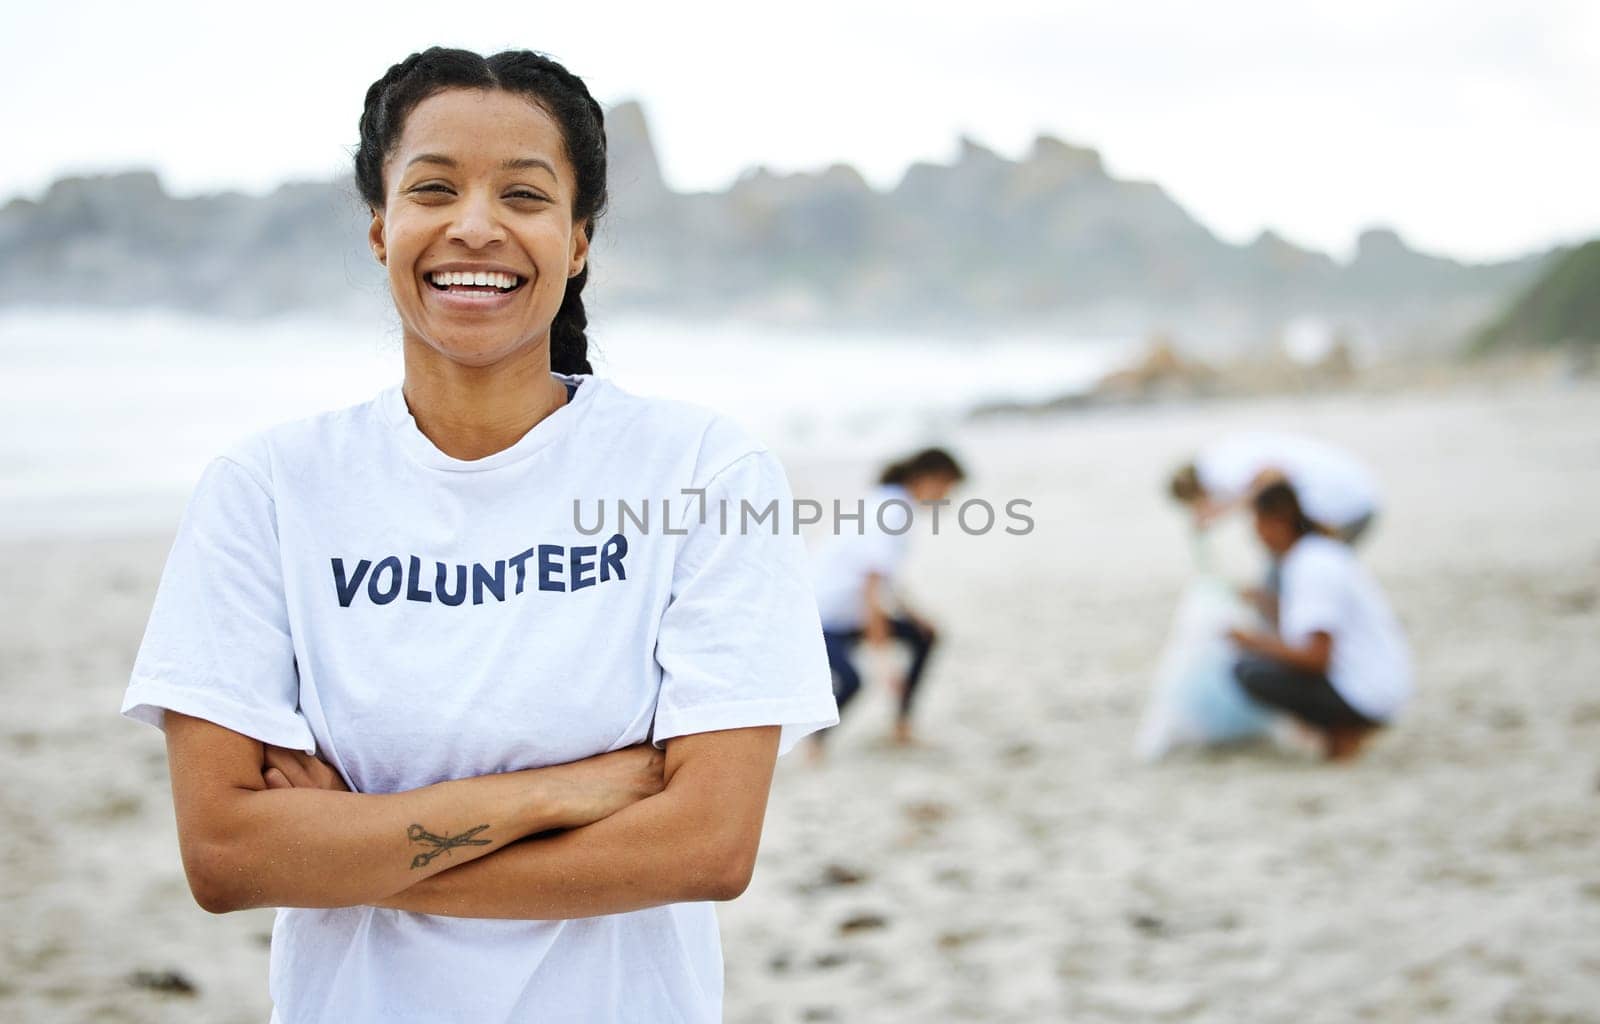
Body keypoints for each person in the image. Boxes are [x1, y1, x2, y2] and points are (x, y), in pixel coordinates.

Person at [119, 47, 838, 1024]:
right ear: (381, 226)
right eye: (433, 187)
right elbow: (227, 855)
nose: (474, 225)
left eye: (525, 195)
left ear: (578, 239)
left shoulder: (701, 472)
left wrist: (346, 844)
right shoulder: (270, 490)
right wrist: (561, 793)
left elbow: (705, 847)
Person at [1226, 482, 1412, 761]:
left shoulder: (1311, 566)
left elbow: (1317, 657)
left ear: (1277, 520)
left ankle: (1344, 732)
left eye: (1257, 522)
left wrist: (1253, 643)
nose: (1255, 534)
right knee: (1258, 664)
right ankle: (1343, 731)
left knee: (1251, 671)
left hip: (1368, 691)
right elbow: (1303, 629)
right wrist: (1265, 603)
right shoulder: (1319, 554)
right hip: (1383, 683)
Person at [807, 448, 965, 754]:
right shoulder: (892, 510)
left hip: (847, 612)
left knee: (925, 636)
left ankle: (902, 727)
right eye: (947, 487)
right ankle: (816, 743)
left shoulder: (891, 502)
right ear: (927, 479)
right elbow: (871, 589)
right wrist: (883, 659)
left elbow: (885, 580)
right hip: (824, 618)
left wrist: (915, 616)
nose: (948, 496)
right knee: (854, 681)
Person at [1169, 431, 1381, 544]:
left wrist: (1221, 512)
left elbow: (1273, 477)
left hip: (1344, 507)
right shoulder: (1221, 456)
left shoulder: (1216, 469)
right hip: (1356, 496)